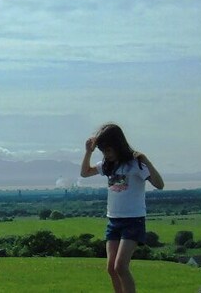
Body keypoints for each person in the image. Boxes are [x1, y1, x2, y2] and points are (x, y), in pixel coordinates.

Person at [80, 123, 165, 293]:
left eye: (109, 150)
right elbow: (85, 172)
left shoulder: (135, 164)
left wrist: (146, 160)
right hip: (114, 220)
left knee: (121, 266)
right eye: (103, 151)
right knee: (111, 268)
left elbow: (159, 184)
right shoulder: (107, 165)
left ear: (118, 146)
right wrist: (88, 152)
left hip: (133, 220)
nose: (106, 154)